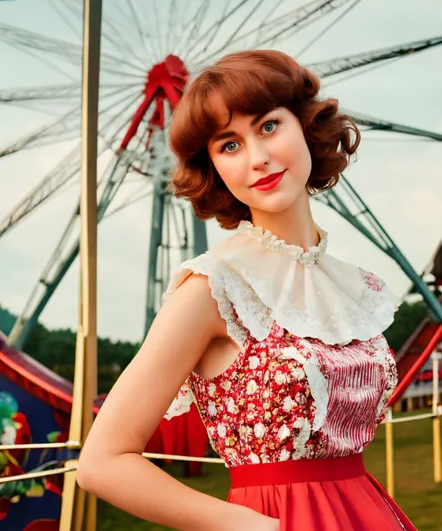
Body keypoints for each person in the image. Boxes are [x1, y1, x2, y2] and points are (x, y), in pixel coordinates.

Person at [77, 50, 417, 531]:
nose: (258, 158)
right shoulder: (213, 289)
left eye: (269, 126)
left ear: (304, 125)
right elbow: (102, 462)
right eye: (229, 145)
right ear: (213, 167)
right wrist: (256, 527)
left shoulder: (356, 286)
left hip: (366, 511)